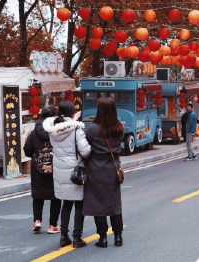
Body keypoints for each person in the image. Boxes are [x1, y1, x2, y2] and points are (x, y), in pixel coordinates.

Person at [43, 101, 91, 248]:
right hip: (75, 172)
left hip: (59, 171)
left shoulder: (53, 131)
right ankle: (77, 237)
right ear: (72, 113)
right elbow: (85, 151)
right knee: (79, 204)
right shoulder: (77, 130)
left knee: (66, 203)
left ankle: (64, 236)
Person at [83, 97, 125, 248]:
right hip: (114, 168)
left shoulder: (93, 129)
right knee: (114, 203)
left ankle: (103, 238)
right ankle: (118, 237)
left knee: (98, 203)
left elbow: (85, 147)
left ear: (99, 110)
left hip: (96, 168)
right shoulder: (119, 127)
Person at [23, 106, 61, 234]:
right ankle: (52, 226)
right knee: (55, 196)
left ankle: (37, 221)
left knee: (38, 195)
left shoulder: (34, 132)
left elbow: (27, 149)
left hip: (37, 168)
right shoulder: (57, 131)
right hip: (55, 166)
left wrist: (36, 155)